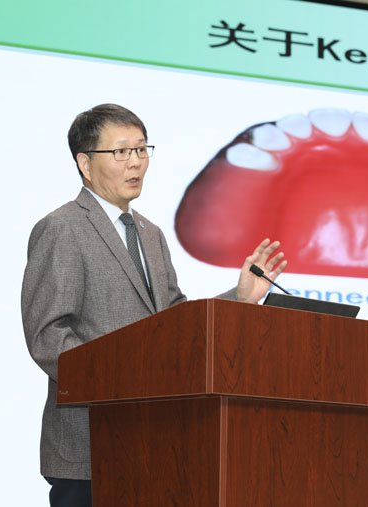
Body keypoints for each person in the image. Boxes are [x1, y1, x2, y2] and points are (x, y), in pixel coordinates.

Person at [21, 104, 286, 507]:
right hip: (90, 447)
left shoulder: (151, 234)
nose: (136, 163)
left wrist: (241, 296)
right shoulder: (62, 227)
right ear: (85, 163)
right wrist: (119, 383)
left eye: (142, 150)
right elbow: (48, 336)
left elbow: (177, 324)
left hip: (155, 445)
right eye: (121, 152)